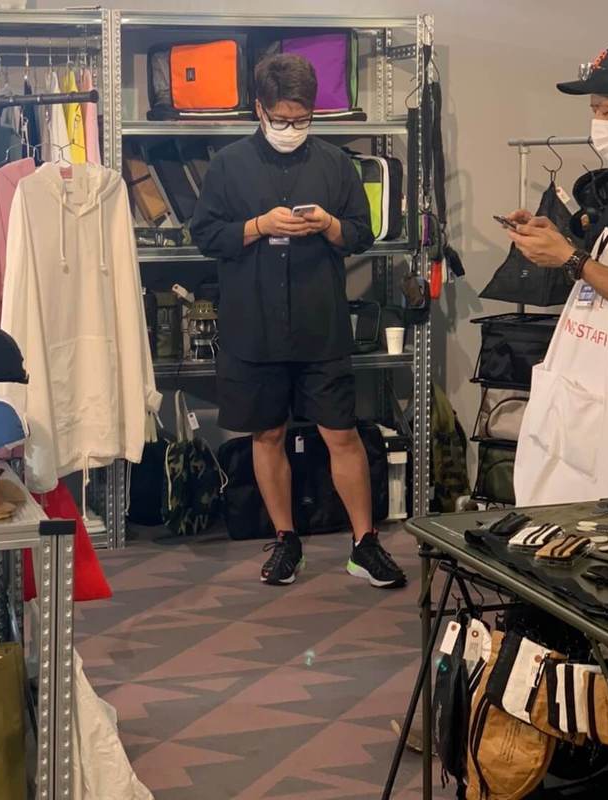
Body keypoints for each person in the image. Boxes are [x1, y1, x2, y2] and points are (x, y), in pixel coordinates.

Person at [191, 54, 406, 589]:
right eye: (282, 119)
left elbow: (361, 234)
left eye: (302, 119)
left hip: (320, 322)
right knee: (267, 435)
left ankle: (365, 543)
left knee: (342, 434)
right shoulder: (228, 165)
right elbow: (205, 235)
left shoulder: (336, 164)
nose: (291, 128)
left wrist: (330, 224)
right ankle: (286, 540)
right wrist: (258, 225)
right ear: (259, 109)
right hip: (253, 325)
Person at [508, 41, 608, 505]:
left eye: (607, 111)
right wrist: (557, 243)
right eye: (593, 111)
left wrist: (571, 260)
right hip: (582, 390)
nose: (598, 124)